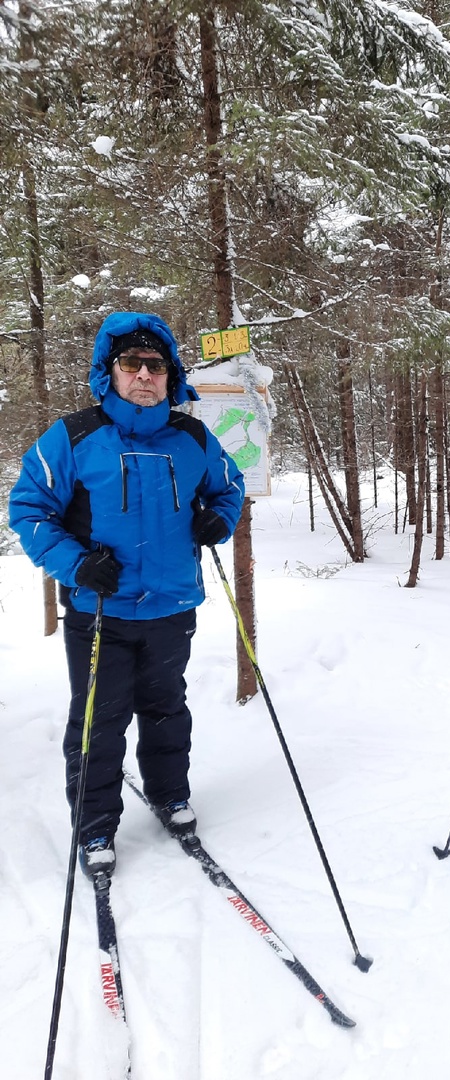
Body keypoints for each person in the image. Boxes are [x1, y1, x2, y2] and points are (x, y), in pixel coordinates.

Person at [9, 312, 245, 876]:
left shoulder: (192, 439)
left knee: (167, 710)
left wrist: (220, 519)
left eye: (155, 365)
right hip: (99, 611)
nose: (144, 374)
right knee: (98, 720)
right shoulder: (71, 438)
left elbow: (229, 485)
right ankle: (95, 827)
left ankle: (170, 796)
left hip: (171, 607)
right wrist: (75, 564)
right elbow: (29, 509)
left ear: (170, 375)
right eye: (131, 363)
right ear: (109, 372)